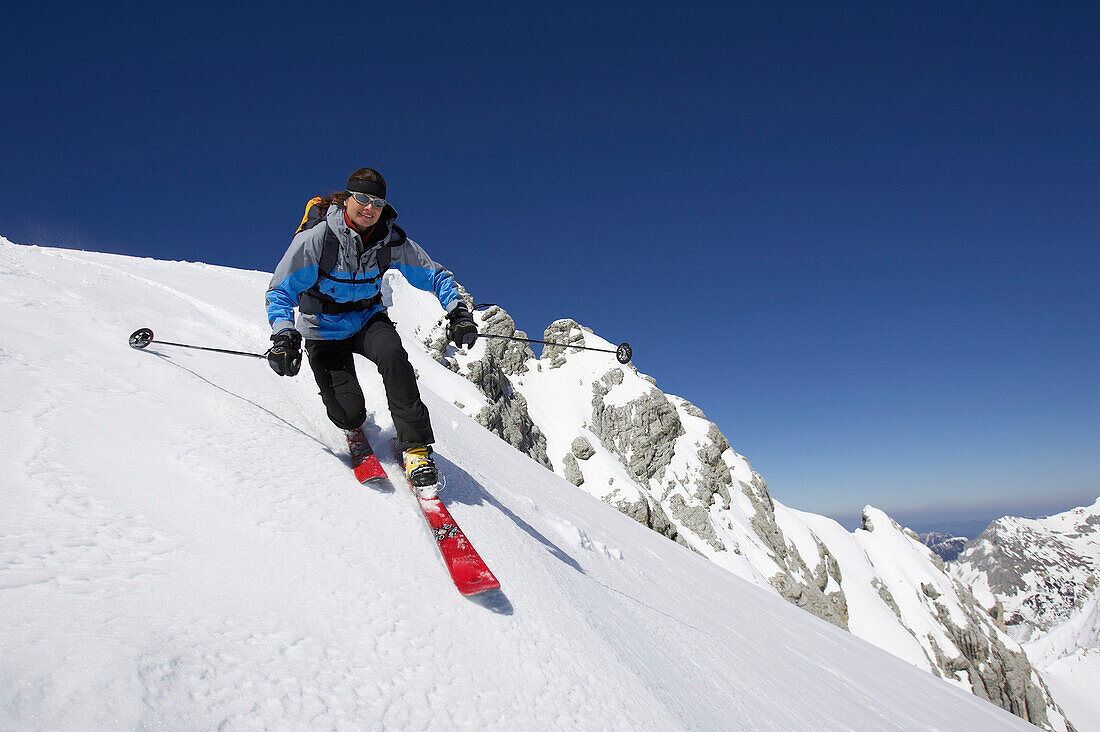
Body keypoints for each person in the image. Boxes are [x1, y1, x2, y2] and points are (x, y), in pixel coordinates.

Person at [264, 167, 477, 496]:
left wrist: (458, 312)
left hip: (367, 318)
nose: (369, 207)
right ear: (347, 198)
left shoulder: (389, 240)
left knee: (394, 356)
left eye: (377, 202)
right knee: (349, 415)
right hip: (323, 329)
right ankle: (351, 423)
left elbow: (433, 275)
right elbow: (280, 291)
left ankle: (417, 451)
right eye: (362, 198)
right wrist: (283, 335)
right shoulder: (319, 240)